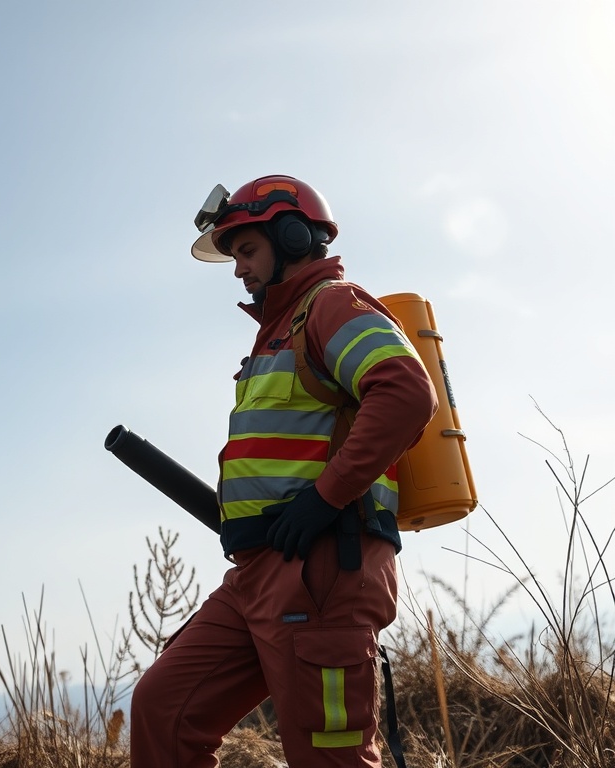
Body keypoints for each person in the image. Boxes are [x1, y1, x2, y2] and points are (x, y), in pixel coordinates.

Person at [129, 175, 439, 767]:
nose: (239, 269)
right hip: (257, 573)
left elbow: (405, 392)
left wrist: (325, 498)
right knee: (164, 709)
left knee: (329, 757)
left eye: (247, 250)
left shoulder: (332, 304)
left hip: (321, 570)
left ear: (294, 237)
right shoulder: (279, 331)